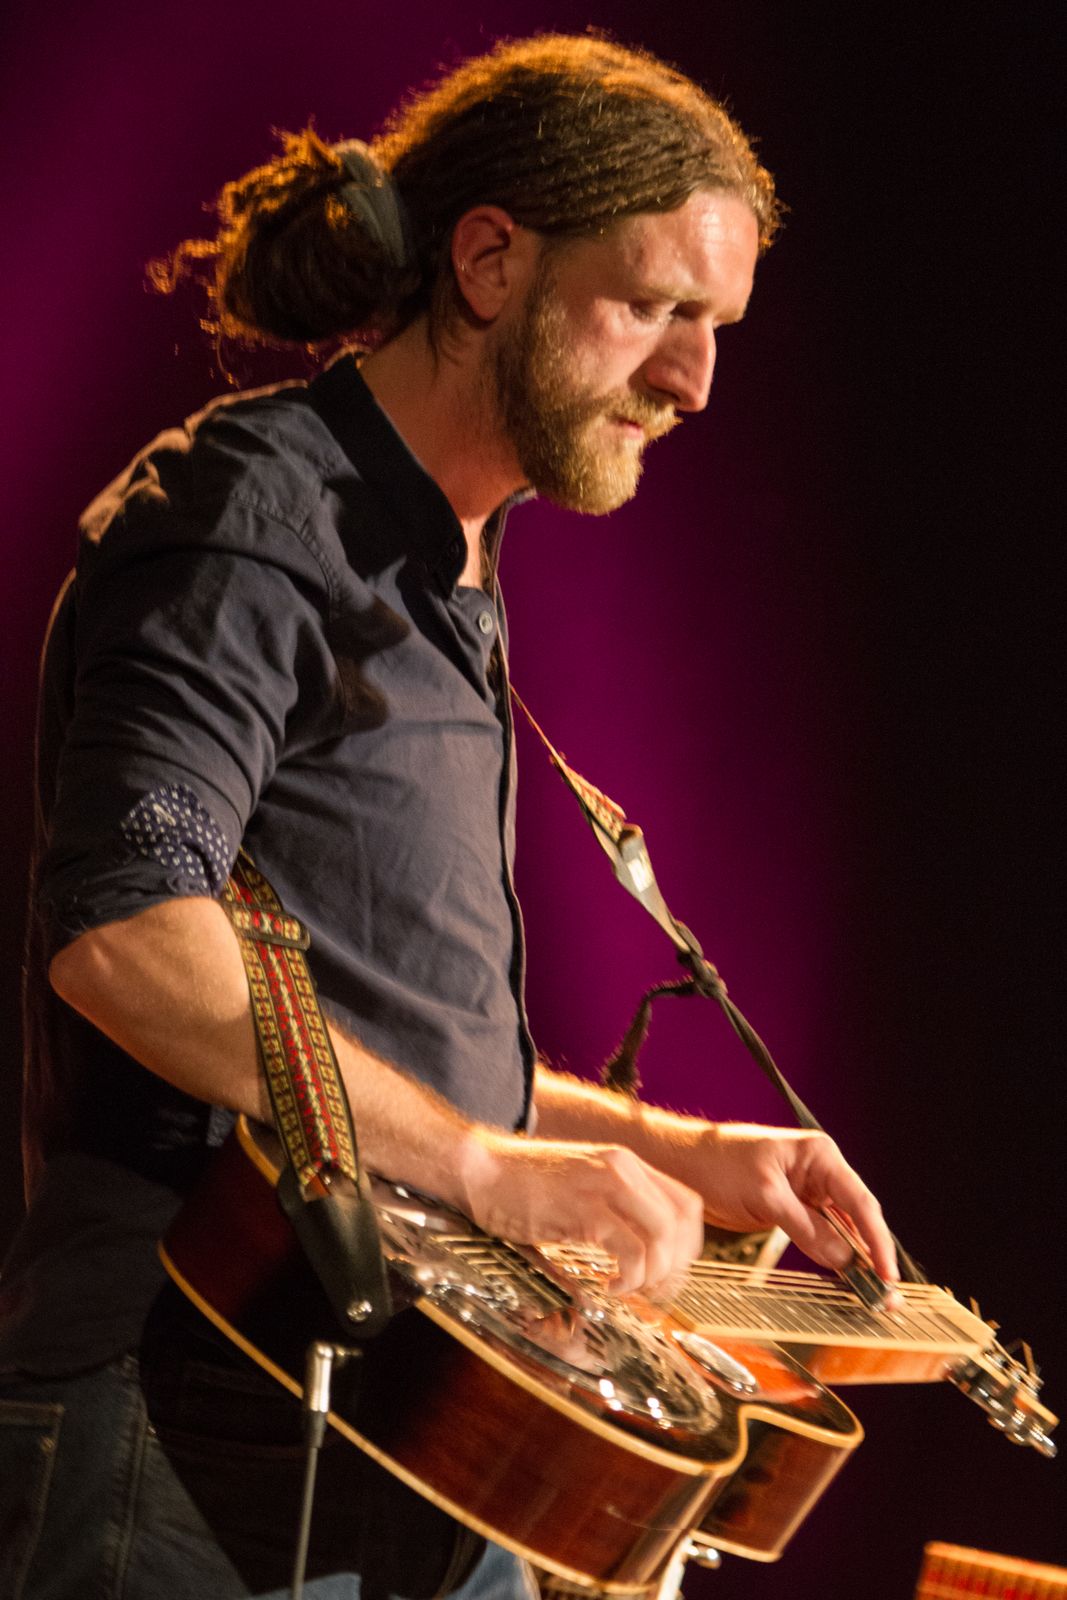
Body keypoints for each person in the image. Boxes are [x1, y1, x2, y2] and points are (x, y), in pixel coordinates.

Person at [0, 32, 897, 1600]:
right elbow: (131, 933)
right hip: (200, 1425)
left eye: (715, 328)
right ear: (490, 261)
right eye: (656, 307)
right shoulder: (253, 519)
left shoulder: (447, 567)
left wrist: (686, 1154)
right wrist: (488, 1171)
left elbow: (396, 1052)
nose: (693, 382)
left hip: (406, 1423)